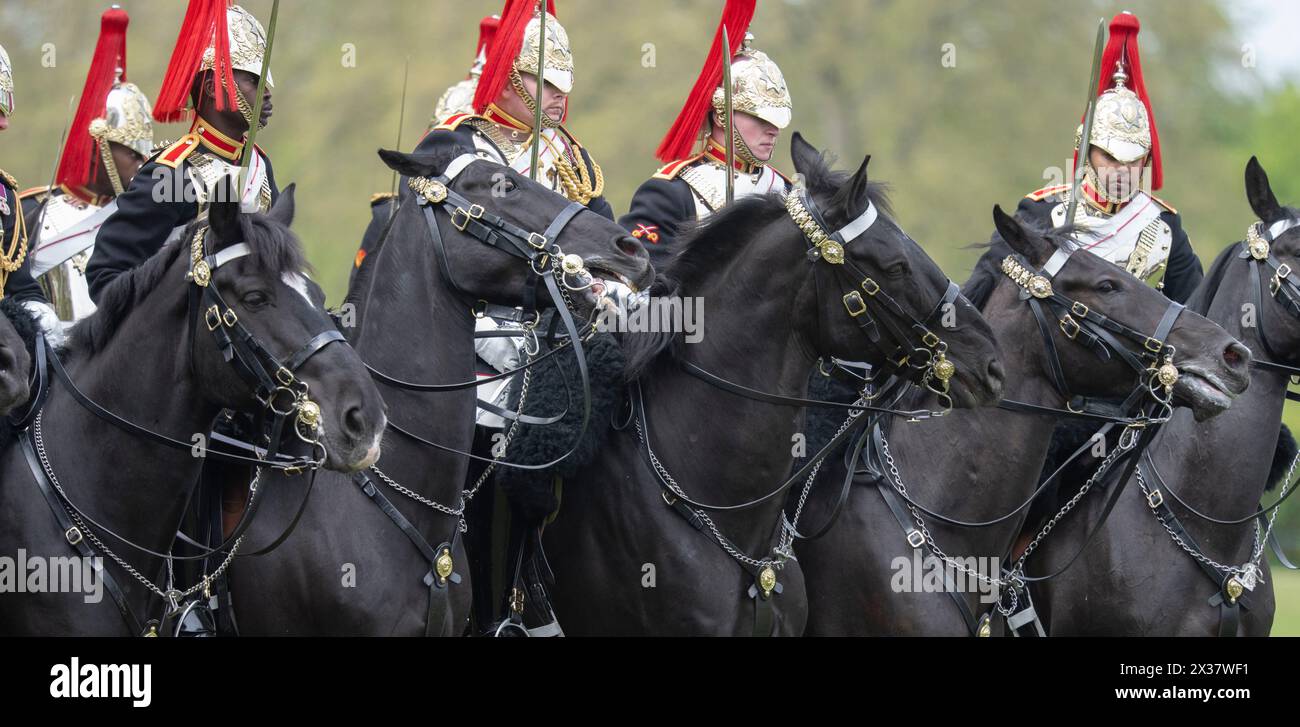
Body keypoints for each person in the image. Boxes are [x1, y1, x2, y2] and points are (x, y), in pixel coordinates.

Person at [87, 0, 277, 302]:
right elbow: (107, 275)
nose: (267, 93)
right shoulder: (173, 172)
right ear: (215, 86)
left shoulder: (259, 167)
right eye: (254, 80)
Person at [1011, 11, 1202, 303]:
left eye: (1133, 160)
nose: (1121, 170)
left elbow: (1195, 315)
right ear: (1087, 151)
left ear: (1146, 160)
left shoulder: (1165, 226)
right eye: (1110, 158)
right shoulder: (1040, 213)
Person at [3, 7, 154, 341]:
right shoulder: (30, 212)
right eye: (131, 153)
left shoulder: (147, 217)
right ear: (101, 145)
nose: (139, 165)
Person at [620, 0, 793, 269]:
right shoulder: (670, 193)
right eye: (759, 117)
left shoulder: (786, 192)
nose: (773, 129)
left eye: (776, 118)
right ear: (721, 113)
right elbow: (641, 283)